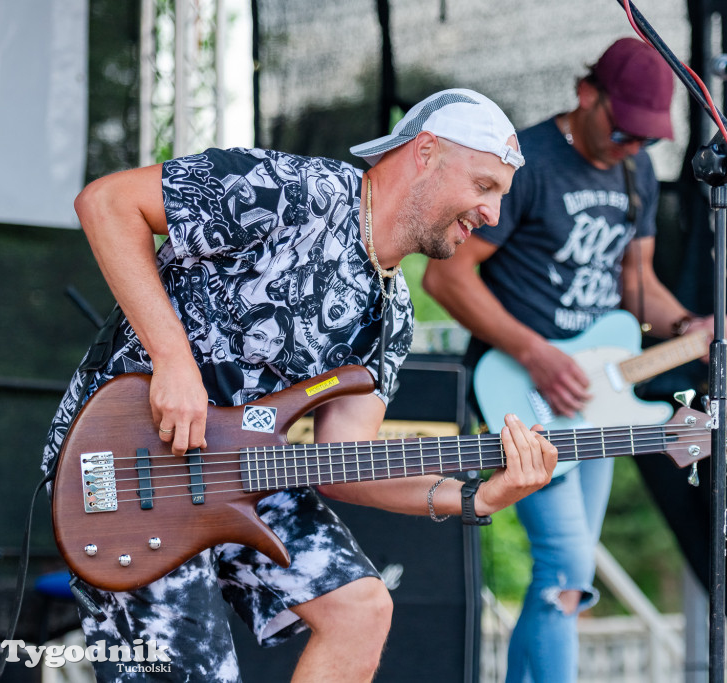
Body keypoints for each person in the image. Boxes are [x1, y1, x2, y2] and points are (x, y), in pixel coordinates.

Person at [42, 88, 557, 682]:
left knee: (361, 610)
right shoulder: (296, 190)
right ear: (425, 152)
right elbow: (106, 203)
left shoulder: (393, 314)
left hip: (245, 477)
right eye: (484, 186)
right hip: (128, 463)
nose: (493, 214)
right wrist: (173, 359)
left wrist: (477, 496)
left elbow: (342, 466)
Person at [423, 40, 727, 682]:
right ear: (586, 95)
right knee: (567, 564)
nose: (632, 146)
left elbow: (637, 284)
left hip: (593, 394)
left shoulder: (636, 172)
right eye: (624, 131)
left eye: (646, 139)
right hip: (519, 389)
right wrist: (534, 353)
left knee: (565, 575)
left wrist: (686, 323)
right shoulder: (529, 162)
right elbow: (448, 280)